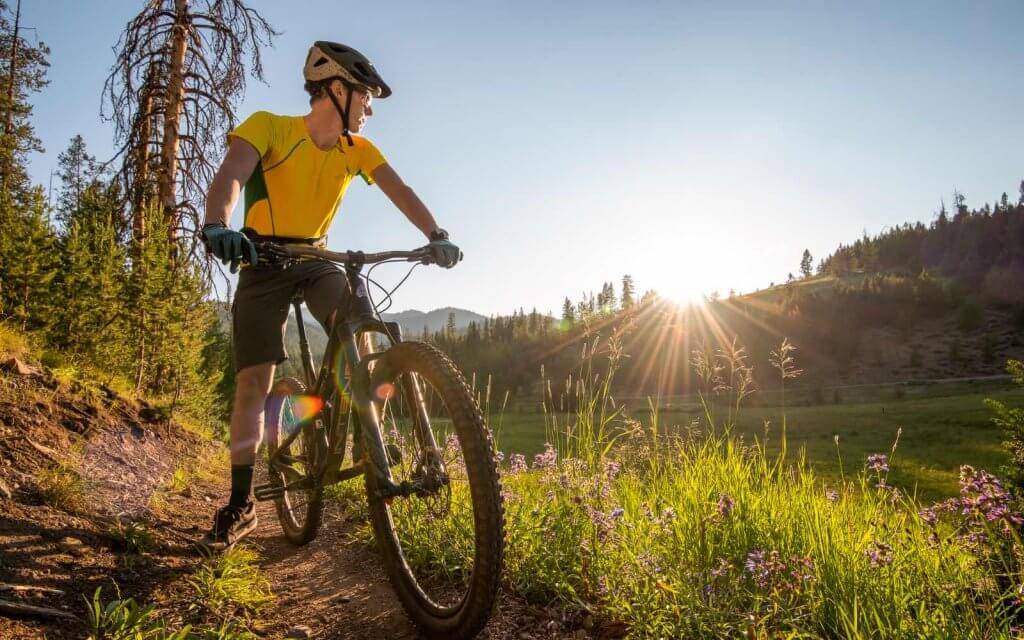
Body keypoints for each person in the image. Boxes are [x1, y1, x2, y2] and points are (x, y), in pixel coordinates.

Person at [198, 41, 461, 549]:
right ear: (336, 89)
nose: (370, 108)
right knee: (254, 382)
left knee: (362, 334)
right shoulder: (270, 127)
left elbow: (399, 189)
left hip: (319, 260)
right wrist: (217, 225)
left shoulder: (356, 151)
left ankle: (370, 443)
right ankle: (240, 503)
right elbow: (231, 174)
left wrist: (436, 234)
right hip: (262, 259)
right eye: (365, 96)